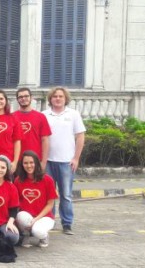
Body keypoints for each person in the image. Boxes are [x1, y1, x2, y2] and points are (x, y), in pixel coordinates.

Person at [42, 87, 86, 235]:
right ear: (50, 99)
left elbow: (80, 137)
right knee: (49, 194)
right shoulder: (44, 115)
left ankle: (67, 223)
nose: (58, 99)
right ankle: (49, 221)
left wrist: (76, 158)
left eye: (60, 96)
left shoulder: (73, 114)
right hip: (48, 160)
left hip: (66, 161)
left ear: (65, 98)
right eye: (55, 96)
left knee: (66, 194)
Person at [14, 151, 58, 248]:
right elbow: (15, 203)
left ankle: (44, 236)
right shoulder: (18, 180)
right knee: (20, 216)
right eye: (25, 163)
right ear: (22, 165)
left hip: (45, 217)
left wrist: (36, 219)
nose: (29, 165)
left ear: (36, 163)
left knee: (37, 231)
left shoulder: (47, 180)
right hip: (27, 216)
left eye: (31, 162)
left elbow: (50, 204)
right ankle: (26, 235)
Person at [13, 88, 52, 168]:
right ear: (17, 99)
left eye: (26, 96)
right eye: (20, 97)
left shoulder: (40, 117)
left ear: (31, 97)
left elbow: (45, 140)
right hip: (16, 160)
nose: (23, 99)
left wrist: (44, 162)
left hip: (34, 160)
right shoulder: (11, 117)